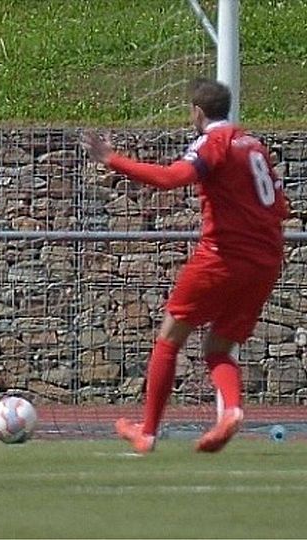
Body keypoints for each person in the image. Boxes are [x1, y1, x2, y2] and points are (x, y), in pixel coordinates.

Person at [83, 78, 288, 454]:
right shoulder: (254, 146)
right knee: (217, 347)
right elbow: (278, 205)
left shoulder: (215, 143)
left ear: (197, 111)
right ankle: (232, 410)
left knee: (169, 336)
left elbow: (171, 178)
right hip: (267, 260)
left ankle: (147, 432)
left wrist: (113, 160)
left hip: (222, 256)